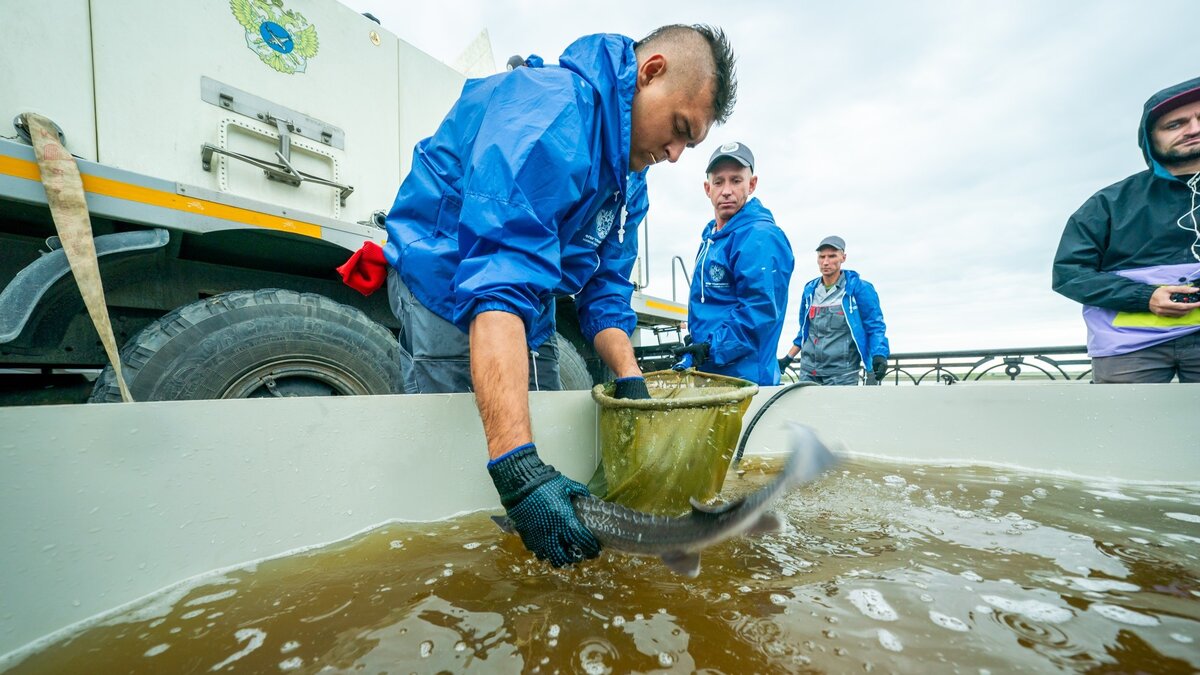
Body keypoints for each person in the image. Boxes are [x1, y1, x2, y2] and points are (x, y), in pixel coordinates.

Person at [347, 25, 738, 567]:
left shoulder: (631, 179)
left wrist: (631, 383)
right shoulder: (549, 108)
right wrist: (518, 470)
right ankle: (452, 571)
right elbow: (498, 276)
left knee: (545, 433)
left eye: (687, 146)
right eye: (678, 129)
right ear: (650, 73)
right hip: (447, 277)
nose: (674, 155)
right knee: (469, 455)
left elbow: (605, 290)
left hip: (529, 299)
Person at [1052, 76, 1200, 383]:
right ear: (1150, 137)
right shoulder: (1107, 203)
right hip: (1129, 348)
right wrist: (1144, 296)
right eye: (1175, 124)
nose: (1194, 129)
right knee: (1121, 429)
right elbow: (1069, 274)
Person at [671, 142, 794, 386]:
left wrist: (709, 347)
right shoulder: (711, 239)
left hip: (745, 383)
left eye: (736, 180)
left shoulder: (759, 237)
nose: (727, 190)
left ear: (752, 184)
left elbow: (759, 313)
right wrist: (697, 342)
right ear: (707, 188)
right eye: (719, 182)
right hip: (714, 376)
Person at [779, 236, 889, 385]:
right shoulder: (809, 290)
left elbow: (875, 326)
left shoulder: (860, 289)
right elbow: (805, 330)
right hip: (808, 371)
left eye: (832, 256)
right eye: (821, 257)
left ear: (843, 258)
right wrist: (788, 358)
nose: (826, 262)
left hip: (842, 373)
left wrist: (879, 355)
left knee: (839, 409)